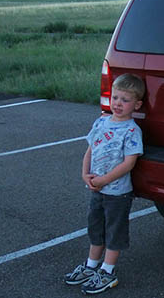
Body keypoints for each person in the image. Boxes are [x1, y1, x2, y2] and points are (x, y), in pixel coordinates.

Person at [64, 73, 145, 294]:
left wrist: (104, 180)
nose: (118, 104)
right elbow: (90, 150)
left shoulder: (132, 131)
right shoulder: (101, 122)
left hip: (117, 193)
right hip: (97, 188)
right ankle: (91, 266)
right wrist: (85, 175)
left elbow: (129, 163)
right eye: (115, 98)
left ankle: (108, 271)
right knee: (95, 228)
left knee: (114, 231)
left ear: (136, 104)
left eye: (125, 100)